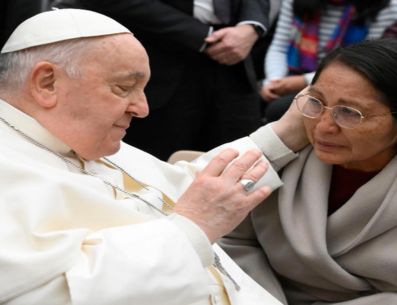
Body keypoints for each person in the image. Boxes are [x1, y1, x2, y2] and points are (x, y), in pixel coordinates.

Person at [0, 8, 308, 305]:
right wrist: (192, 228)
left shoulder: (75, 137)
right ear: (47, 83)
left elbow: (184, 191)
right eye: (124, 87)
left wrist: (284, 134)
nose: (143, 108)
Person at [220, 38, 397, 304]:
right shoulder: (283, 157)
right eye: (316, 102)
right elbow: (230, 237)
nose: (323, 126)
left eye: (349, 112)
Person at [54, 0, 271, 161]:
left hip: (235, 65)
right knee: (153, 167)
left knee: (239, 161)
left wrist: (250, 27)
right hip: (159, 64)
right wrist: (202, 36)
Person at [260, 0, 397, 122]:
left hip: (349, 84)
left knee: (280, 109)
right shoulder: (295, 3)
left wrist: (303, 81)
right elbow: (279, 47)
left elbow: (370, 64)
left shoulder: (386, 8)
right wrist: (274, 80)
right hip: (291, 77)